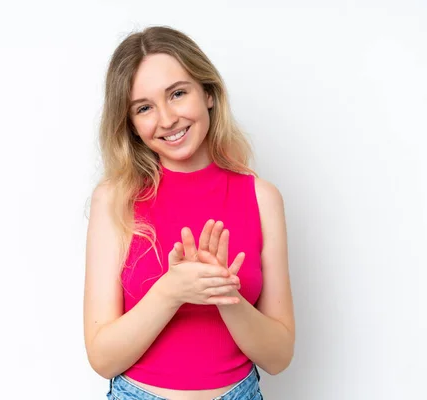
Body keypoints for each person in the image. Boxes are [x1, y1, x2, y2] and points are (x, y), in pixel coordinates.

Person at [84, 26, 295, 400]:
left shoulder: (262, 198)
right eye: (144, 108)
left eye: (178, 94)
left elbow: (279, 357)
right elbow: (103, 358)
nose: (166, 119)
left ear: (208, 94)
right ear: (130, 124)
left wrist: (222, 292)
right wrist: (171, 290)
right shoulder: (114, 200)